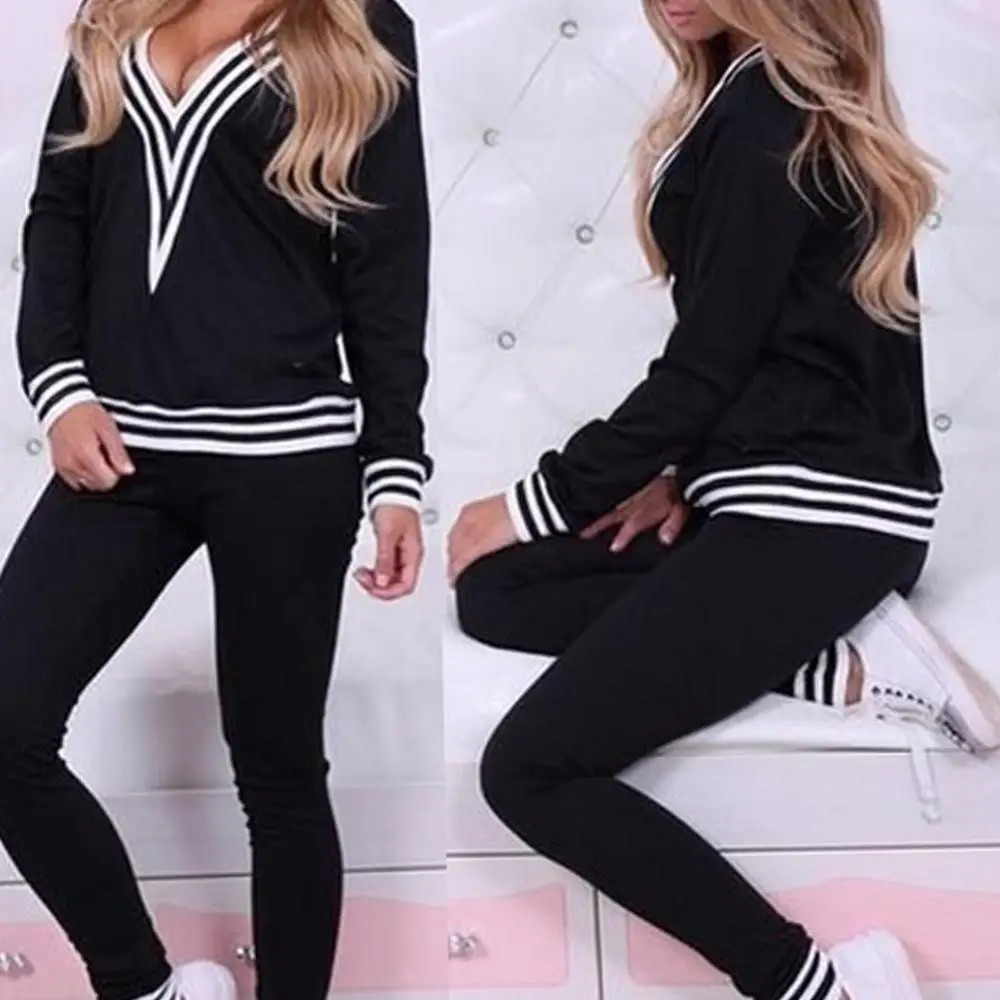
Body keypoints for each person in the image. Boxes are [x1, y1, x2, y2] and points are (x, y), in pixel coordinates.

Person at [447, 2, 1000, 999]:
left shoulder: (766, 115)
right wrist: (675, 473)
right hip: (769, 496)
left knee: (526, 770)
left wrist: (534, 500)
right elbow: (765, 343)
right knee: (496, 592)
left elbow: (701, 367)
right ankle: (834, 657)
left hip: (825, 520)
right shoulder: (749, 98)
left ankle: (814, 985)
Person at [1, 0, 431, 998]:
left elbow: (387, 260)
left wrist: (394, 473)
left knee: (278, 773)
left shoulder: (359, 26)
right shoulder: (118, 14)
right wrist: (60, 387)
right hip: (120, 456)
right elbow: (59, 208)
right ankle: (143, 985)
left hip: (287, 461)